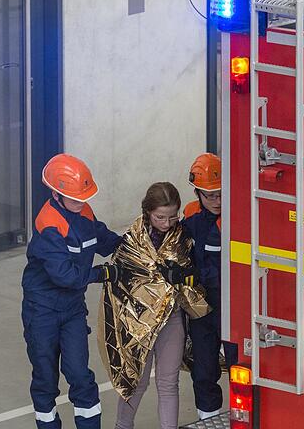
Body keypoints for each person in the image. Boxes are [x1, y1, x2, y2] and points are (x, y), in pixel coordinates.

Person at [21, 153, 124, 429]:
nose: (81, 202)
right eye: (75, 198)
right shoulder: (49, 225)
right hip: (42, 310)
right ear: (56, 194)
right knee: (45, 379)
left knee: (80, 375)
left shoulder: (84, 212)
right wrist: (103, 273)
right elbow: (65, 275)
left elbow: (103, 239)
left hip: (72, 309)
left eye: (84, 197)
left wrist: (132, 245)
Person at [98, 182, 210, 429]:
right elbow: (120, 282)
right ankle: (122, 426)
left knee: (168, 383)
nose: (167, 223)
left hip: (171, 318)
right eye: (160, 217)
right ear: (147, 212)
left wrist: (185, 274)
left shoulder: (184, 237)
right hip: (138, 321)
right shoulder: (132, 240)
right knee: (135, 381)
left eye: (173, 216)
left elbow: (196, 278)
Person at [182, 153, 237, 420]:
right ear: (198, 194)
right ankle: (208, 419)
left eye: (220, 194)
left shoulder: (241, 218)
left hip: (235, 307)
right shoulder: (191, 220)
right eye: (209, 195)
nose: (216, 201)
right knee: (203, 371)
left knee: (241, 369)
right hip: (203, 310)